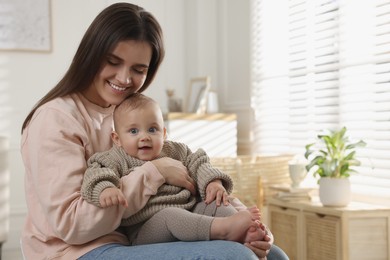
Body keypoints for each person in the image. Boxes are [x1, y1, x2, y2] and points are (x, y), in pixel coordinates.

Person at [20, 2, 289, 260]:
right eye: (113, 61)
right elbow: (72, 225)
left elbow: (193, 175)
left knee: (273, 254)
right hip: (75, 251)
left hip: (133, 238)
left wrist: (248, 224)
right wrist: (156, 172)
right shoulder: (56, 119)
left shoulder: (128, 113)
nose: (124, 79)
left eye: (138, 69)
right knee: (235, 256)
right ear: (91, 53)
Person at [81, 93, 266, 245]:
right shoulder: (114, 157)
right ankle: (224, 230)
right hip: (146, 230)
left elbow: (198, 162)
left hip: (190, 211)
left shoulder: (175, 150)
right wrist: (106, 189)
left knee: (215, 204)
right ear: (117, 138)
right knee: (171, 215)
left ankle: (246, 234)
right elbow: (97, 171)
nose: (144, 137)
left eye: (152, 129)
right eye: (134, 131)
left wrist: (213, 182)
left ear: (163, 133)